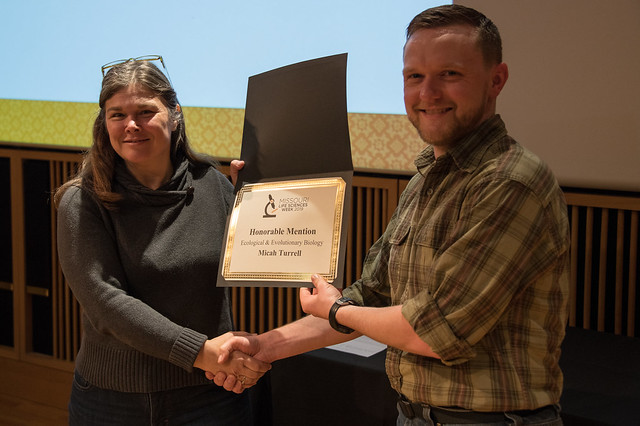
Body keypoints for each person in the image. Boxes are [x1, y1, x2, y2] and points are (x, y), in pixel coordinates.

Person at [214, 5, 570, 425]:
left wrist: (336, 309)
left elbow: (437, 332)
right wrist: (265, 346)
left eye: (450, 74)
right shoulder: (425, 180)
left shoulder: (510, 182)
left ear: (497, 80)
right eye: (414, 76)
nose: (428, 93)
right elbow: (372, 297)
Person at [54, 57, 270, 425]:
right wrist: (200, 352)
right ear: (104, 122)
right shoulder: (83, 200)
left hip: (210, 393)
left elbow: (258, 261)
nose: (131, 125)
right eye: (117, 114)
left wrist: (260, 205)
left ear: (174, 115)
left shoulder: (212, 184)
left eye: (145, 111)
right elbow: (106, 302)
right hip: (114, 401)